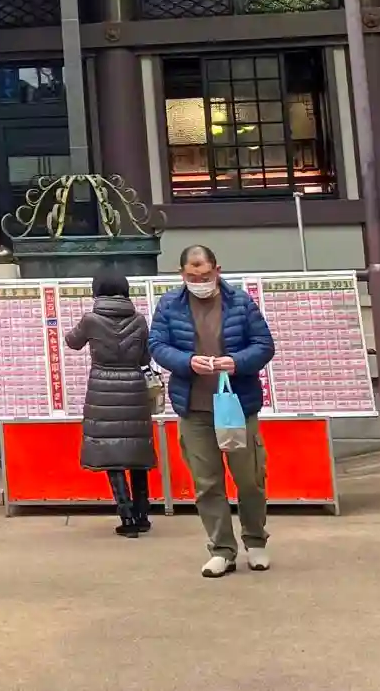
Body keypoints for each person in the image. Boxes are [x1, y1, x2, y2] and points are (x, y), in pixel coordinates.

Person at [148, 244, 276, 578]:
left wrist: (237, 362)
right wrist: (187, 361)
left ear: (217, 271)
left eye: (205, 275)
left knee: (249, 479)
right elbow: (157, 345)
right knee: (207, 483)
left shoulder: (240, 303)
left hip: (238, 405)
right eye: (193, 277)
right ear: (182, 274)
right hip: (194, 407)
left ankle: (255, 541)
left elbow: (264, 345)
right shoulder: (169, 305)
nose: (200, 282)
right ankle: (221, 549)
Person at [64, 268, 157, 537]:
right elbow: (145, 358)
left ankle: (127, 519)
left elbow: (72, 342)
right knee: (137, 452)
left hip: (102, 389)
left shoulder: (91, 319)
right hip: (134, 389)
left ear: (97, 291)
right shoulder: (139, 319)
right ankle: (142, 516)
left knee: (111, 453)